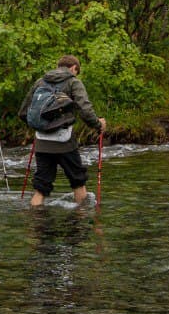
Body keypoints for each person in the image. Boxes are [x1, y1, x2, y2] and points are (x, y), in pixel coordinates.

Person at [18, 55, 105, 207]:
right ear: (73, 68)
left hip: (42, 141)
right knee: (78, 181)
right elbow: (85, 110)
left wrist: (41, 127)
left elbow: (24, 112)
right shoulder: (73, 81)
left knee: (41, 187)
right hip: (64, 141)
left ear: (58, 66)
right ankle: (81, 221)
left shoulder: (40, 82)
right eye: (76, 71)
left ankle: (34, 223)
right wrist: (98, 125)